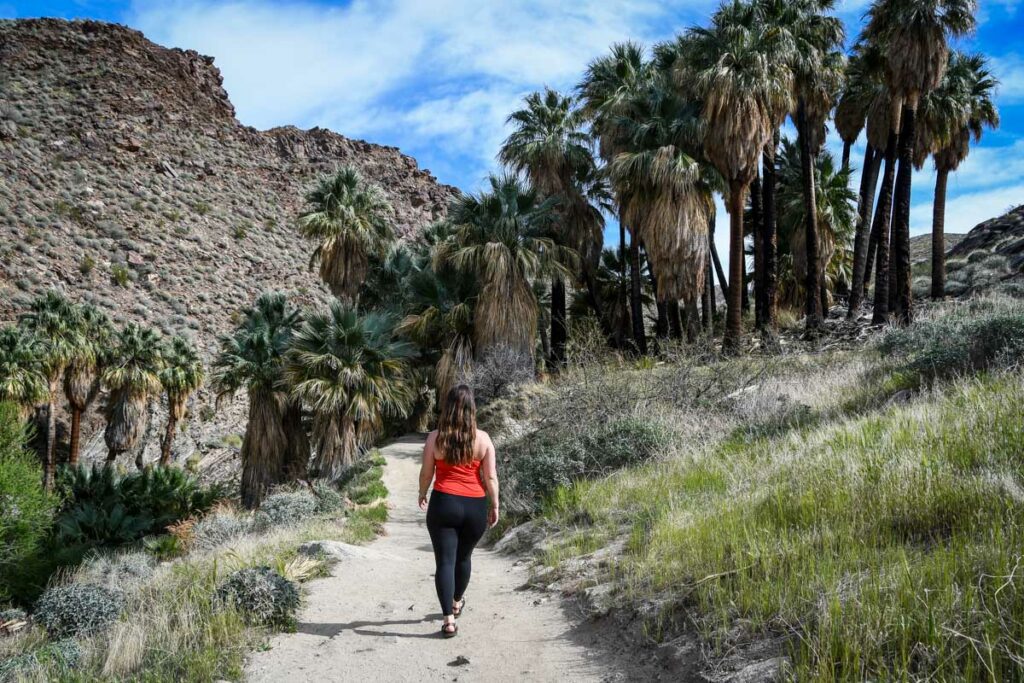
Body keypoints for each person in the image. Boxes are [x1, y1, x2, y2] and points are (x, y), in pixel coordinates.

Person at [418, 384, 500, 638]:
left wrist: (422, 493)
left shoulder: (435, 437)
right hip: (474, 505)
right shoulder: (483, 439)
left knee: (445, 562)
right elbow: (491, 478)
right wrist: (495, 504)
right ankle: (456, 601)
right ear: (471, 409)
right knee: (463, 559)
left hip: (444, 503)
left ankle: (448, 620)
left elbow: (427, 473)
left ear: (448, 408)